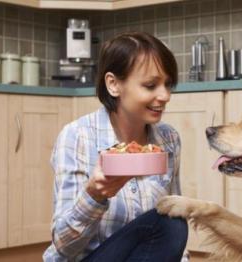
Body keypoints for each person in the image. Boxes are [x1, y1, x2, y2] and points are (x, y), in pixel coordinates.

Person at [43, 32, 188, 262]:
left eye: (168, 84)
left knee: (174, 219)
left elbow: (169, 235)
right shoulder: (78, 137)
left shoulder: (169, 139)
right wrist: (94, 196)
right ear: (113, 84)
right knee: (169, 223)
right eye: (151, 85)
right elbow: (63, 247)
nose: (165, 95)